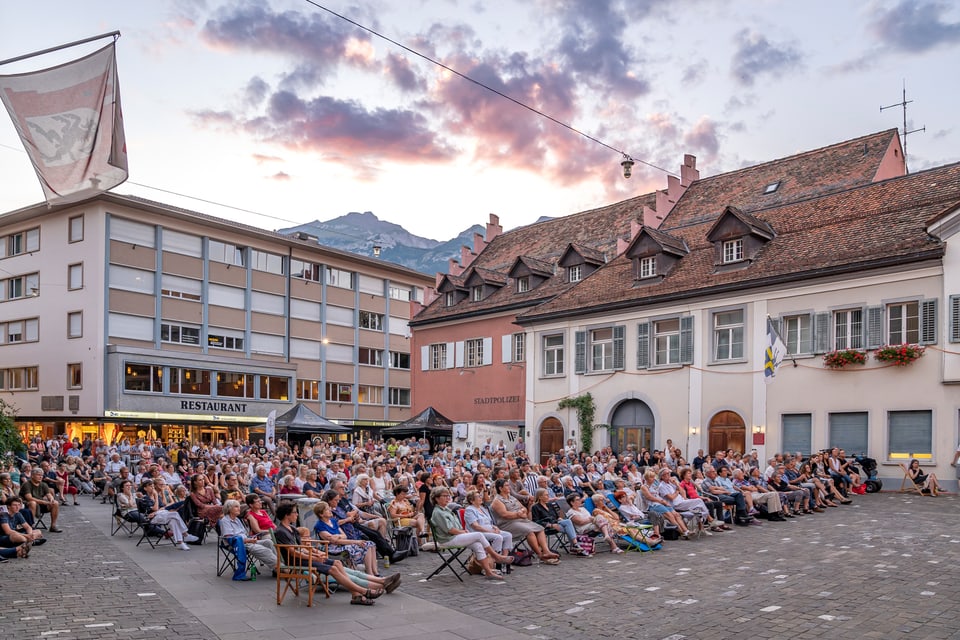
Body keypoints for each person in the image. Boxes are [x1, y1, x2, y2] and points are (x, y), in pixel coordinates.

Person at [273, 501, 398, 605]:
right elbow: (293, 553)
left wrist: (317, 553)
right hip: (296, 562)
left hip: (306, 557)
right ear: (286, 515)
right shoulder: (281, 532)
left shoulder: (293, 529)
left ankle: (357, 594)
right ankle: (364, 591)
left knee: (337, 563)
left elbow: (302, 547)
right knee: (333, 569)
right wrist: (315, 556)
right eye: (294, 512)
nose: (296, 514)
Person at [429, 487, 512, 579]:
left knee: (478, 545)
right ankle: (496, 556)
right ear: (436, 498)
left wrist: (462, 531)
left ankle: (488, 571)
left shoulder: (446, 509)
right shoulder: (438, 512)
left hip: (455, 536)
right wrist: (462, 531)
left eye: (448, 496)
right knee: (478, 535)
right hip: (448, 539)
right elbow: (450, 530)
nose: (448, 498)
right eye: (444, 496)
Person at [489, 478, 560, 564]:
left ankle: (546, 551)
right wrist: (518, 514)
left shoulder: (512, 497)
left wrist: (523, 512)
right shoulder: (497, 501)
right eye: (507, 486)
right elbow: (505, 514)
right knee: (529, 531)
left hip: (520, 520)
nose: (509, 487)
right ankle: (539, 554)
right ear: (500, 488)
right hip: (507, 523)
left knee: (540, 528)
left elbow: (523, 507)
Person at [312, 501, 379, 575]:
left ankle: (375, 572)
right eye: (327, 510)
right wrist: (355, 542)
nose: (330, 510)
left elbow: (344, 536)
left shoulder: (333, 521)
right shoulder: (320, 526)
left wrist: (337, 536)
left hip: (342, 544)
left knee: (370, 544)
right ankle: (370, 573)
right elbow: (335, 541)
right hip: (332, 548)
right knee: (364, 545)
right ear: (321, 514)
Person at [218, 499, 276, 580]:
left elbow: (245, 534)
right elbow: (230, 539)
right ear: (229, 509)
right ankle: (280, 567)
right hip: (237, 544)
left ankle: (275, 569)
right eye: (236, 507)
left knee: (268, 542)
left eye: (239, 506)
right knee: (264, 550)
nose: (239, 509)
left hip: (247, 541)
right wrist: (249, 540)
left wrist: (251, 538)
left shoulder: (237, 519)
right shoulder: (225, 521)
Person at [464, 489, 518, 566]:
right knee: (498, 537)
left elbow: (489, 521)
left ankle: (503, 560)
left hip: (489, 530)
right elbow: (475, 526)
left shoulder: (482, 508)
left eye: (480, 496)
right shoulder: (469, 510)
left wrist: (495, 527)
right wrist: (490, 531)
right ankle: (494, 561)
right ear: (472, 501)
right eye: (478, 496)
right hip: (478, 533)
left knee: (508, 535)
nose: (480, 498)